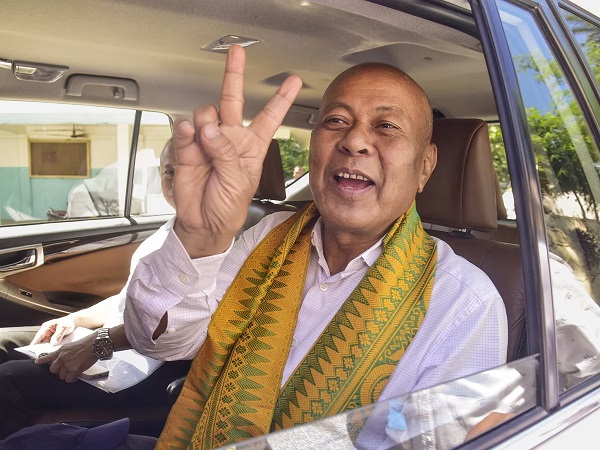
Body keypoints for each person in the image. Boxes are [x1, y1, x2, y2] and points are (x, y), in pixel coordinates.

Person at [123, 45, 507, 450]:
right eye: (336, 121)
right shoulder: (269, 235)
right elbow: (163, 344)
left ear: (425, 166)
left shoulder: (464, 304)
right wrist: (201, 238)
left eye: (386, 126)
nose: (354, 141)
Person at [0, 139, 191, 439]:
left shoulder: (220, 245)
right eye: (170, 171)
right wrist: (75, 320)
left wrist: (97, 343)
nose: (178, 182)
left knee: (6, 381)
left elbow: (179, 326)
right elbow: (126, 299)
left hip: (148, 367)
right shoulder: (171, 229)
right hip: (115, 345)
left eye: (192, 169)